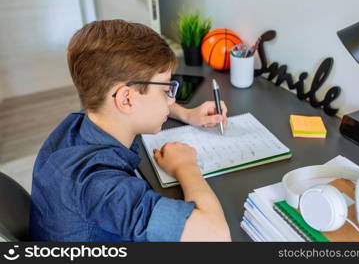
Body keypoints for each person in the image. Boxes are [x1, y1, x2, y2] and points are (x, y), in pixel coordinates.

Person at [29, 19, 231, 242]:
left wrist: (186, 114)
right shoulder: (103, 187)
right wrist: (186, 166)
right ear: (126, 99)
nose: (170, 99)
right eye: (166, 89)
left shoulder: (81, 121)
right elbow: (215, 236)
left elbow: (134, 97)